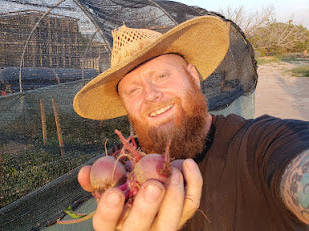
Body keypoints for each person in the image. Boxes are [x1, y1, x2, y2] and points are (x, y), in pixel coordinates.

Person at [73, 16, 309, 230]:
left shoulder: (259, 143)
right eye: (133, 90)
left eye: (161, 76)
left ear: (193, 77)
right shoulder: (125, 169)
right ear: (126, 108)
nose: (151, 94)